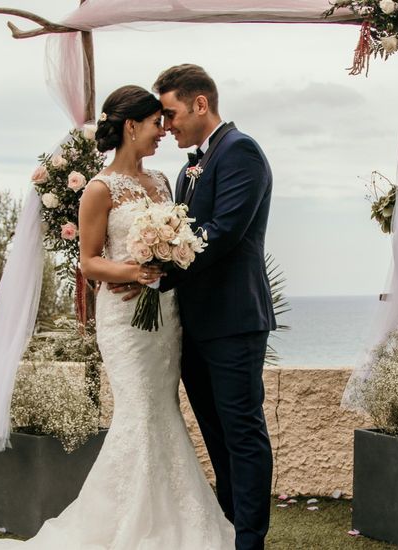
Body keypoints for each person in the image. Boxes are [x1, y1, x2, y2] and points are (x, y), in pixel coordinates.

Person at [0, 84, 235, 549]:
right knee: (139, 413)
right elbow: (88, 262)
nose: (162, 132)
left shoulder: (164, 182)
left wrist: (166, 260)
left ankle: (172, 521)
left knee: (163, 409)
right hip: (125, 321)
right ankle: (128, 527)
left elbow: (179, 246)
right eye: (154, 124)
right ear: (130, 126)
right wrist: (134, 268)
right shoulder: (100, 190)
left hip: (165, 315)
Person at [113, 64, 276, 550]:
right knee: (215, 433)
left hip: (233, 320)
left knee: (242, 434)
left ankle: (249, 541)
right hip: (192, 325)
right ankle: (227, 528)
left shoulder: (241, 152)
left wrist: (157, 267)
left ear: (200, 104)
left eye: (171, 113)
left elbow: (223, 232)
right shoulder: (188, 169)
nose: (166, 126)